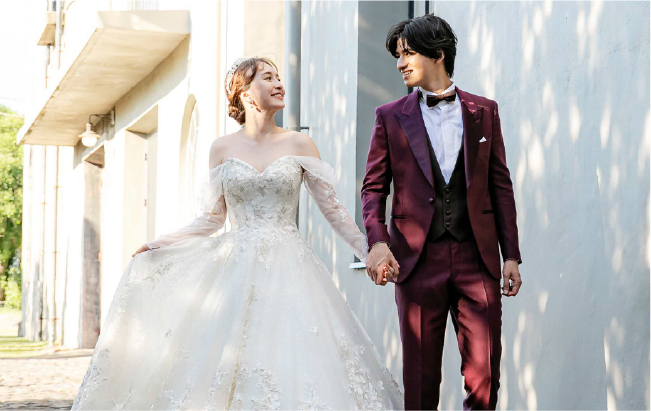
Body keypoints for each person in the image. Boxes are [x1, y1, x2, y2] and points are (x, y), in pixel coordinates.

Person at [72, 57, 403, 410]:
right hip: (234, 270)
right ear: (245, 94)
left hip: (290, 269)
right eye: (268, 78)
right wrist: (159, 244)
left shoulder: (300, 144)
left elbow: (333, 211)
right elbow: (211, 219)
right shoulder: (221, 148)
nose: (279, 84)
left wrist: (372, 250)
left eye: (279, 77)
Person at [361, 14, 523, 410]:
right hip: (416, 263)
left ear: (437, 54)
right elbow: (374, 188)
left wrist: (511, 255)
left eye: (408, 53)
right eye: (398, 56)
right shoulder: (389, 117)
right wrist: (378, 242)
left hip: (477, 259)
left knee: (485, 380)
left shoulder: (484, 111)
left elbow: (500, 186)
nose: (400, 64)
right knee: (420, 384)